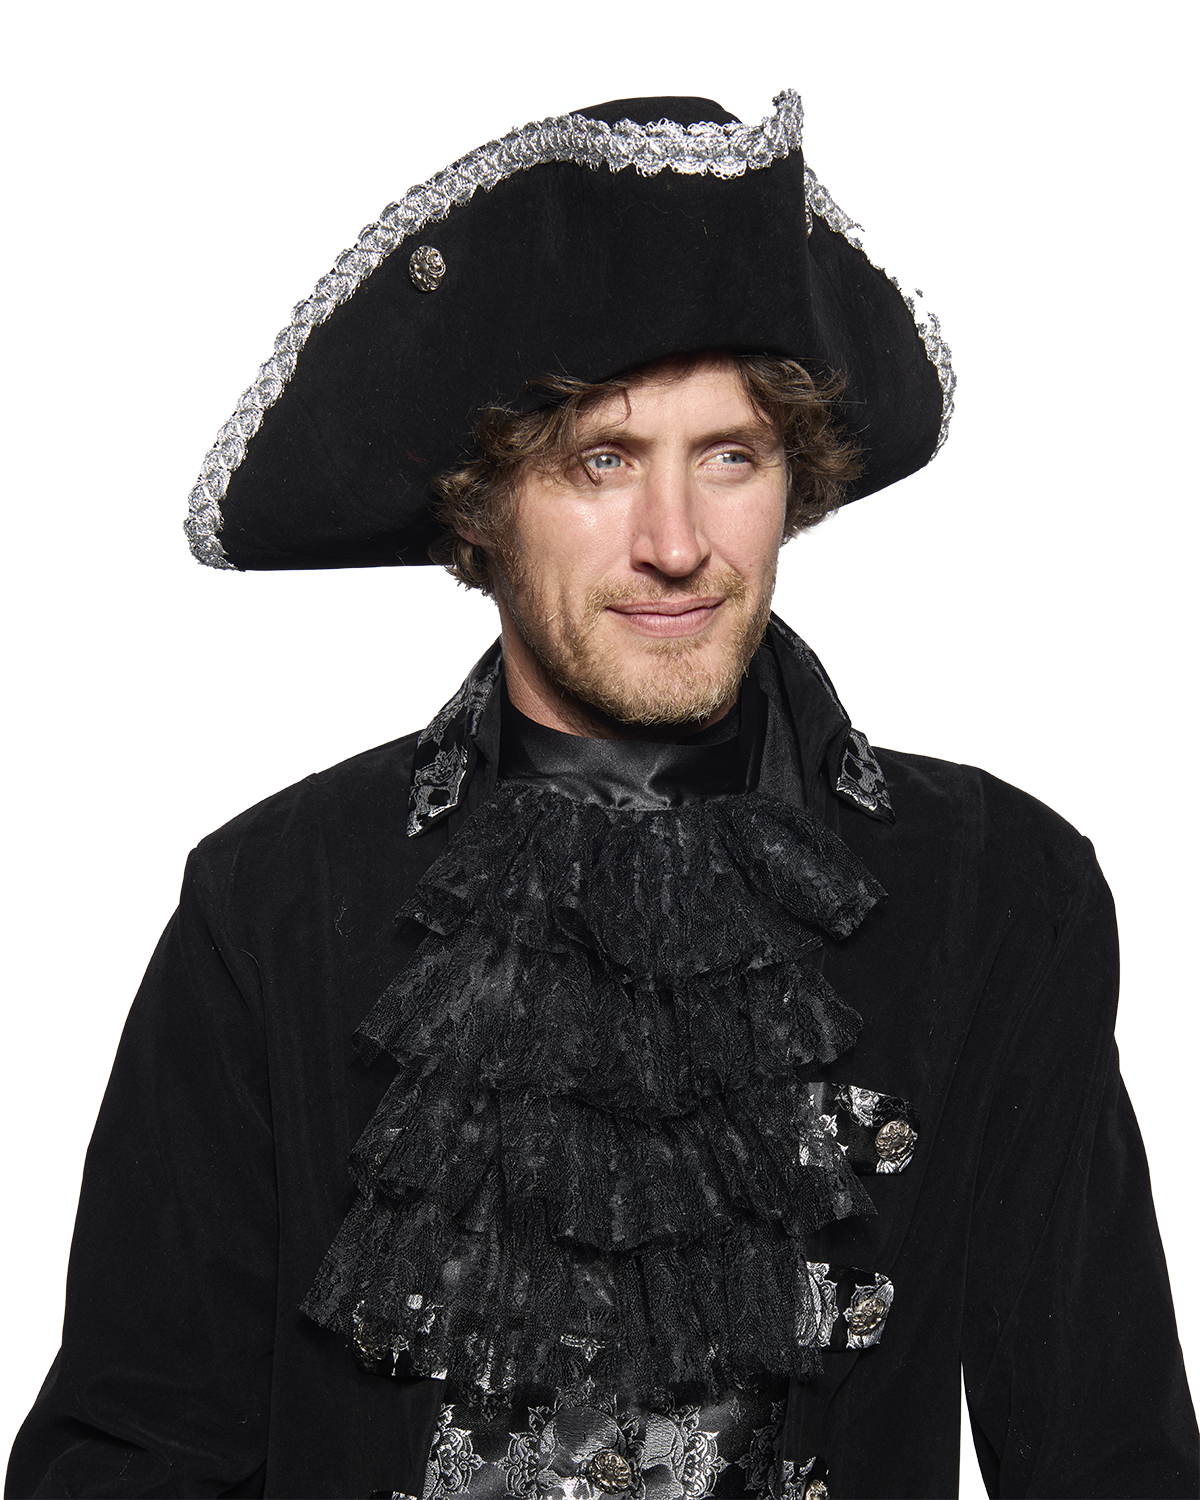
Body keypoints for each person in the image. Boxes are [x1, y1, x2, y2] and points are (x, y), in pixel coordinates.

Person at [8, 91, 1198, 1500]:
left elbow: (1106, 1453)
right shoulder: (273, 901)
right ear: (480, 507)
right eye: (603, 461)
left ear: (793, 484)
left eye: (730, 456)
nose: (677, 543)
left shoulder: (997, 891)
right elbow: (139, 1452)